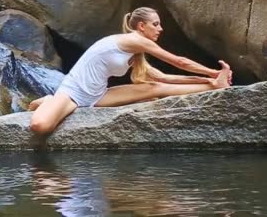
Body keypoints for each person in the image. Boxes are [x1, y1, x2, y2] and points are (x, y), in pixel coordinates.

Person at [28, 7, 232, 135]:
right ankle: (49, 100)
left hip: (98, 96)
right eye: (156, 24)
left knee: (154, 87)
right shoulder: (133, 40)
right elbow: (178, 61)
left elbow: (162, 78)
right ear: (142, 26)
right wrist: (213, 71)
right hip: (72, 93)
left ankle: (214, 87)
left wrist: (211, 80)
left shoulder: (136, 51)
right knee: (40, 127)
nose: (160, 29)